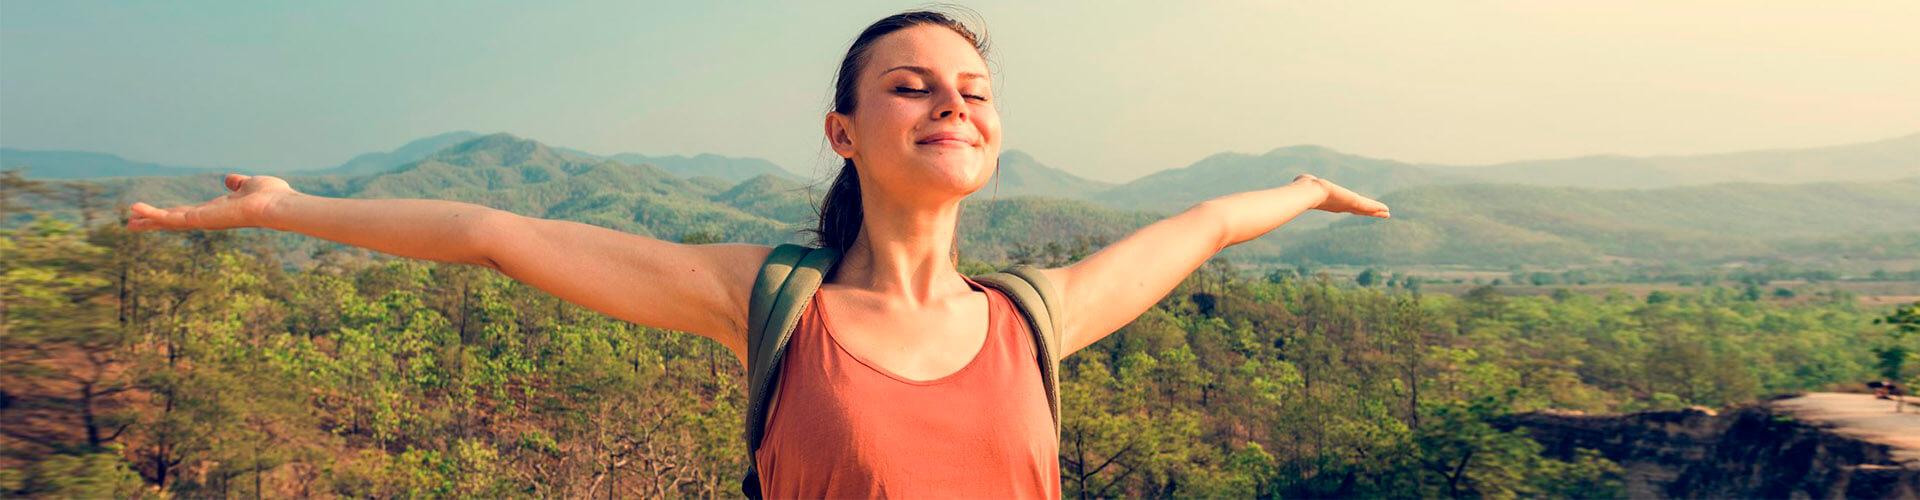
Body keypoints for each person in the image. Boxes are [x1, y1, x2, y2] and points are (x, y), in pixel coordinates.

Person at [125, 9, 1390, 498]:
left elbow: (1201, 225)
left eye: (973, 89)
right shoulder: (772, 300)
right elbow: (492, 233)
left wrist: (1301, 184)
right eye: (911, 86)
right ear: (845, 130)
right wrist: (282, 207)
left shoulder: (1033, 317)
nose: (952, 103)